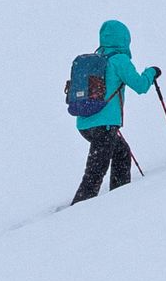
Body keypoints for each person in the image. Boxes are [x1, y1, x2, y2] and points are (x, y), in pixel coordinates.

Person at [67, 19, 158, 201]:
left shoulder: (96, 58)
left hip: (85, 123)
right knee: (95, 173)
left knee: (121, 153)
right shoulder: (119, 60)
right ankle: (79, 210)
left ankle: (119, 197)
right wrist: (152, 72)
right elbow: (140, 85)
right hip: (105, 125)